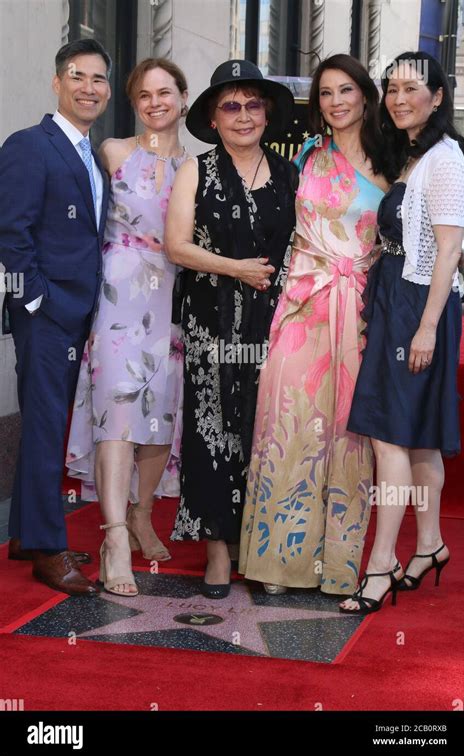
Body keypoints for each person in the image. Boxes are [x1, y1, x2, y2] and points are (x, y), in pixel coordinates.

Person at [238, 54, 389, 596]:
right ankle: (281, 560)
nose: (336, 102)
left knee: (349, 437)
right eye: (325, 93)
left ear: (365, 96)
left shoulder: (392, 159)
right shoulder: (308, 155)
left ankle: (338, 565)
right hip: (303, 307)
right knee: (289, 423)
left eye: (346, 90)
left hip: (363, 314)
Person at [340, 51, 464, 615]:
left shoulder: (447, 161)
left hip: (419, 303)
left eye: (411, 88)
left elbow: (448, 250)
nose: (397, 98)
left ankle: (380, 564)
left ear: (438, 96)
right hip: (397, 296)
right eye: (390, 88)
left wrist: (424, 329)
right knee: (416, 437)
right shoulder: (410, 152)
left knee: (389, 435)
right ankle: (430, 545)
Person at [164, 59, 298, 598]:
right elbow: (176, 245)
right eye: (231, 106)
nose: (244, 115)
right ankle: (217, 550)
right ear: (214, 119)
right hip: (210, 321)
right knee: (211, 428)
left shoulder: (291, 174)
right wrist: (236, 268)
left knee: (262, 430)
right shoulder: (196, 169)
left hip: (274, 323)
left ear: (266, 114)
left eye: (253, 104)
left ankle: (258, 543)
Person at [66, 58, 189, 596]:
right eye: (144, 95)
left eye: (165, 92)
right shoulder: (113, 152)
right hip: (117, 297)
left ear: (183, 97)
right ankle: (113, 535)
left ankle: (142, 513)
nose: (155, 102)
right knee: (117, 411)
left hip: (173, 299)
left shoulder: (197, 166)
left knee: (160, 415)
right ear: (133, 102)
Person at [0, 39, 111, 595]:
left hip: (78, 311)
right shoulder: (29, 145)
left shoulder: (93, 155)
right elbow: (10, 234)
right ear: (56, 82)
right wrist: (36, 302)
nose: (88, 88)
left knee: (50, 423)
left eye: (98, 79)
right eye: (78, 76)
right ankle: (47, 548)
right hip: (45, 314)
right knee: (45, 427)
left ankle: (24, 532)